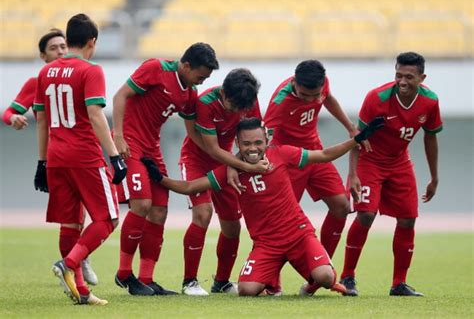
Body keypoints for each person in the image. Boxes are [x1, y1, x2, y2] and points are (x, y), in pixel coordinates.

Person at [143, 117, 383, 296]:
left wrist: (356, 140)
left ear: (267, 139)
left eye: (258, 142)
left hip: (299, 234)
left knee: (325, 276)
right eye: (246, 144)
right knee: (247, 291)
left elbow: (324, 154)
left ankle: (314, 282)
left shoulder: (284, 154)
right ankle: (270, 278)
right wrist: (160, 178)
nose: (253, 148)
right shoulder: (231, 171)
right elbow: (191, 186)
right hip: (267, 244)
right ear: (237, 143)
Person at [33, 13, 127, 305]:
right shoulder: (91, 70)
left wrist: (41, 162)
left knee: (71, 223)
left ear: (68, 39)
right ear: (92, 41)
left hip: (56, 157)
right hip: (84, 156)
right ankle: (69, 264)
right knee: (108, 218)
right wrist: (114, 156)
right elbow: (96, 115)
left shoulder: (45, 73)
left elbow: (40, 120)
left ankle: (81, 292)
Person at [112, 42, 219, 296]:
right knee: (142, 204)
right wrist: (118, 136)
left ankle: (147, 278)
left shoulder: (190, 95)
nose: (201, 82)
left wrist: (215, 154)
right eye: (200, 76)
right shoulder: (155, 68)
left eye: (206, 79)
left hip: (152, 149)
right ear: (186, 65)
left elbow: (193, 129)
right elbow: (120, 96)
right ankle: (124, 273)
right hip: (131, 144)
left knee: (159, 210)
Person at [339, 52, 443, 297]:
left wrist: (434, 177)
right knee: (366, 215)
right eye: (398, 75)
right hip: (370, 160)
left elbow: (430, 137)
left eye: (409, 76)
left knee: (408, 219)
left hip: (400, 162)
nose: (402, 81)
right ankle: (347, 276)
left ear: (422, 77)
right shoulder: (376, 98)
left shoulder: (430, 101)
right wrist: (352, 174)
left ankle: (398, 284)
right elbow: (357, 138)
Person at [2, 28, 99, 286]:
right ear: (43, 56)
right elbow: (11, 111)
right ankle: (74, 264)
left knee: (87, 214)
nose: (60, 51)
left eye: (63, 46)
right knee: (74, 218)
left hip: (81, 153)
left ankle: (76, 261)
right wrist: (13, 117)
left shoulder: (80, 74)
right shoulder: (39, 81)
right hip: (62, 157)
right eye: (54, 48)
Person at [177, 68, 267, 296]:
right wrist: (241, 166)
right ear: (223, 92)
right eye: (233, 105)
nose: (237, 111)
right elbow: (211, 148)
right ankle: (189, 282)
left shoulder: (248, 101)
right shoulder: (206, 102)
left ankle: (221, 282)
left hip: (228, 162)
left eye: (241, 108)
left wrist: (232, 165)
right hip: (197, 160)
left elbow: (254, 137)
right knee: (203, 213)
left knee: (233, 226)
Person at [264, 60, 357, 262]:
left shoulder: (323, 84)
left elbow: (328, 99)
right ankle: (271, 281)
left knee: (342, 206)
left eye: (315, 96)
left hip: (315, 154)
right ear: (294, 83)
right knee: (280, 222)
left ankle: (322, 263)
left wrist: (349, 126)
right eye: (304, 95)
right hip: (289, 161)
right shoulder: (280, 103)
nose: (310, 101)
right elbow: (264, 139)